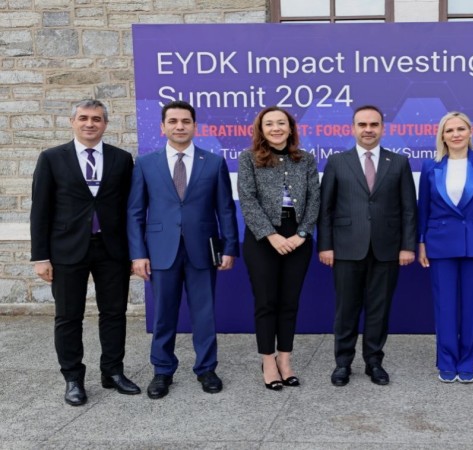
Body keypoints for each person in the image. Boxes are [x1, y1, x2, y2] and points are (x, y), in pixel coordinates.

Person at [30, 99, 140, 406]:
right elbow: (40, 210)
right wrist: (40, 256)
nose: (90, 123)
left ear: (105, 124)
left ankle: (113, 372)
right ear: (73, 122)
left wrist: (135, 252)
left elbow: (130, 208)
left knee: (114, 314)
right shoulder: (52, 158)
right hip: (66, 250)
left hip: (112, 249)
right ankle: (73, 378)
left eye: (96, 119)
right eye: (83, 118)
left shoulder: (121, 159)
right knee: (68, 316)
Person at [127, 100, 239, 399]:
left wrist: (229, 247)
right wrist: (138, 253)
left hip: (202, 249)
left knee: (204, 314)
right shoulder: (145, 163)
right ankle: (162, 370)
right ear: (162, 127)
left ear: (194, 126)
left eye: (185, 121)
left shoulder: (212, 162)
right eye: (173, 121)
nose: (180, 126)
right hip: (161, 250)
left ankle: (206, 369)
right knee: (163, 314)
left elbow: (225, 209)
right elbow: (135, 212)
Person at [318, 105, 417, 387]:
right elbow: (326, 209)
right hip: (346, 248)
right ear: (353, 128)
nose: (368, 129)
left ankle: (374, 362)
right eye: (362, 124)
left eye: (374, 124)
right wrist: (325, 245)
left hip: (387, 249)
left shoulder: (398, 162)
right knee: (346, 309)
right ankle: (343, 363)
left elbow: (408, 208)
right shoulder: (337, 162)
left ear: (383, 128)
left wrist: (407, 246)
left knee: (379, 309)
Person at [417, 111, 473, 384]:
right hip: (439, 243)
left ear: (470, 132)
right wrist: (421, 242)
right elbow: (423, 208)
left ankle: (468, 361)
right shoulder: (430, 166)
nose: (455, 134)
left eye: (460, 129)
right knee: (444, 306)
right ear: (442, 136)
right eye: (449, 130)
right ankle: (446, 361)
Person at [238, 107, 320, 391]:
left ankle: (285, 360)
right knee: (266, 302)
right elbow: (248, 200)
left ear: (290, 128)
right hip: (262, 239)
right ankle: (268, 361)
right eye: (269, 124)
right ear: (261, 129)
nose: (276, 128)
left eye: (281, 123)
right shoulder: (248, 158)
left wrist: (302, 233)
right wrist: (271, 236)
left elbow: (315, 199)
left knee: (289, 302)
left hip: (297, 237)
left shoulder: (306, 159)